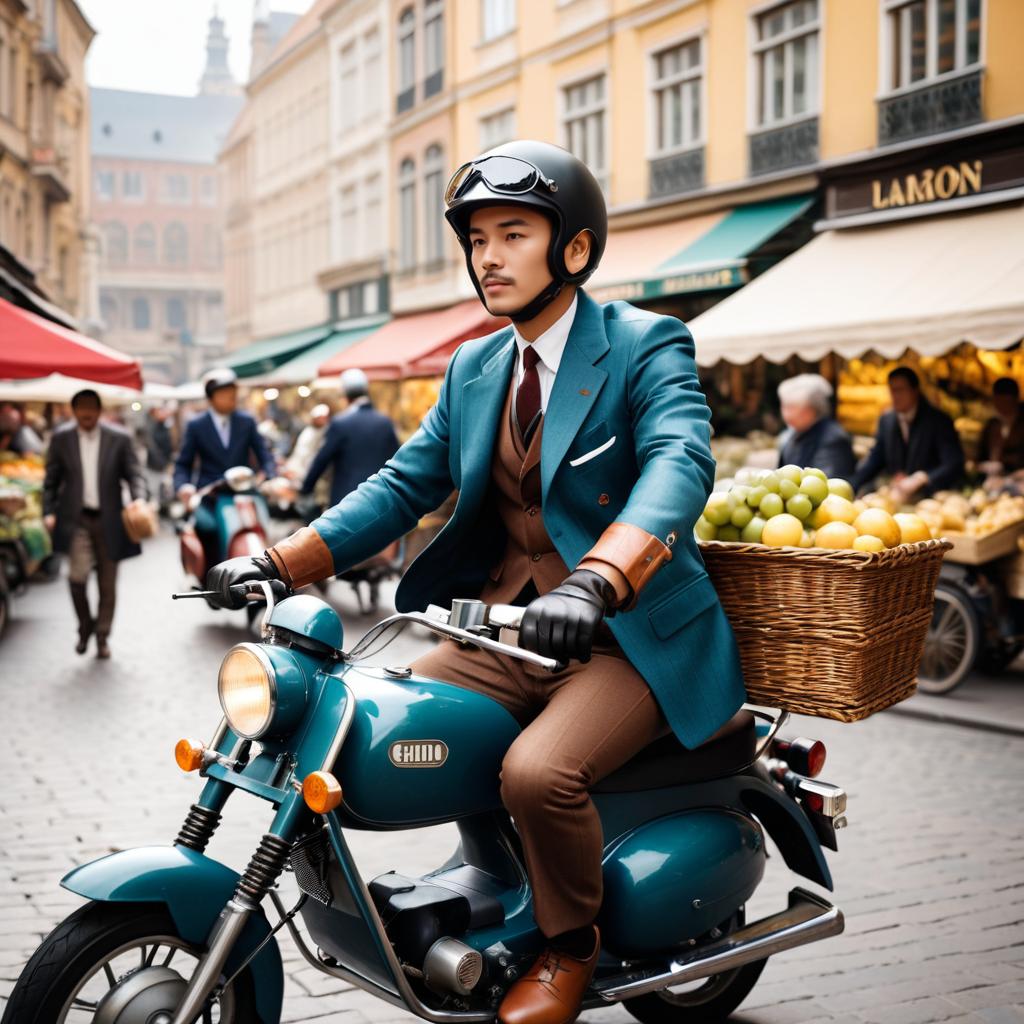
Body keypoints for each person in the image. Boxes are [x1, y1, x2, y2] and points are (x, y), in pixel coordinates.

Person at [206, 140, 745, 1024]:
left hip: (627, 638)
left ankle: (570, 945)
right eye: (478, 238)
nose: (488, 256)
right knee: (366, 725)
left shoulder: (648, 343)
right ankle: (490, 882)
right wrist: (278, 559)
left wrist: (600, 579)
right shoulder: (475, 366)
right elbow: (401, 486)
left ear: (573, 249)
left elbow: (679, 464)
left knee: (538, 773)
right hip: (504, 631)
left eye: (513, 234)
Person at [42, 389, 147, 659]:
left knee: (107, 583)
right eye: (82, 408)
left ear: (99, 411)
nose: (87, 413)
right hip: (76, 519)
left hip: (110, 519)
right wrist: (48, 511)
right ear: (74, 411)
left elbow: (135, 474)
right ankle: (85, 624)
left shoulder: (119, 438)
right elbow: (51, 480)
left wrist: (139, 499)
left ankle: (102, 636)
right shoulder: (62, 439)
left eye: (92, 408)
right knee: (76, 578)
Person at [172, 368, 276, 572]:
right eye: (225, 393)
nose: (231, 397)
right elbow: (183, 463)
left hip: (245, 491)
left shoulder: (246, 421)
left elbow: (264, 454)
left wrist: (271, 476)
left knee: (264, 523)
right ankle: (212, 577)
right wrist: (183, 486)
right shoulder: (196, 425)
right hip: (210, 494)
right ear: (211, 398)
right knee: (208, 528)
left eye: (233, 392)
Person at [851, 366, 964, 501]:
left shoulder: (939, 421)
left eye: (900, 390)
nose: (895, 396)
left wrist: (923, 477)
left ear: (915, 390)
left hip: (931, 498)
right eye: (892, 390)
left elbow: (953, 463)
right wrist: (851, 485)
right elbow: (875, 459)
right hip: (896, 495)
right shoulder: (887, 420)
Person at [301, 371, 400, 507]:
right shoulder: (385, 422)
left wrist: (306, 488)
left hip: (347, 503)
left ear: (345, 394)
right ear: (366, 391)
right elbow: (397, 459)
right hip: (381, 500)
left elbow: (322, 460)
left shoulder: (340, 423)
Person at [776, 374, 855, 479]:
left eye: (792, 408)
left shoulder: (833, 439)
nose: (787, 415)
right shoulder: (792, 434)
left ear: (811, 410)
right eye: (784, 407)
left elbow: (825, 483)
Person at [978, 377, 1024, 476]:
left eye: (1005, 401)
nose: (1001, 405)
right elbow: (981, 456)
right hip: (994, 481)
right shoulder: (992, 425)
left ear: (1015, 400)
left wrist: (1005, 467)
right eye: (998, 400)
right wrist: (983, 466)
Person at [283, 403, 332, 484]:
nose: (322, 420)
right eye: (320, 418)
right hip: (301, 473)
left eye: (324, 418)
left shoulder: (328, 432)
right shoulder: (307, 433)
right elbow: (300, 453)